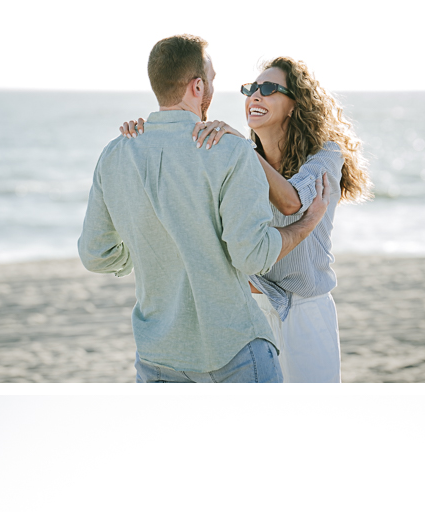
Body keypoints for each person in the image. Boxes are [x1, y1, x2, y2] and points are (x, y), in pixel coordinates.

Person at [78, 35, 330, 383]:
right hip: (235, 351)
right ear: (197, 86)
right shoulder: (230, 151)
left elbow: (96, 254)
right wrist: (304, 226)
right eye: (211, 79)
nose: (214, 86)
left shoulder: (116, 153)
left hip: (157, 356)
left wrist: (148, 250)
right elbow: (252, 256)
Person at [122, 56, 371, 383]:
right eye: (250, 89)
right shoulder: (238, 155)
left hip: (306, 313)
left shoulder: (325, 155)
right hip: (251, 312)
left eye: (268, 88)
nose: (254, 95)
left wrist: (241, 149)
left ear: (296, 103)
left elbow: (292, 202)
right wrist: (145, 135)